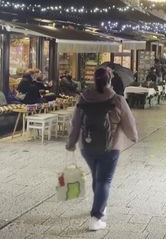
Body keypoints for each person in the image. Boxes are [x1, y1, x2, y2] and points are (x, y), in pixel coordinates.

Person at [66, 68, 138, 231]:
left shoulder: (83, 98)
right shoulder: (117, 100)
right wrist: (133, 136)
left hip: (87, 146)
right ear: (110, 81)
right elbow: (129, 122)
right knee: (104, 180)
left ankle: (100, 205)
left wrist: (71, 143)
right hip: (110, 147)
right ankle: (96, 217)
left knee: (97, 177)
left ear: (94, 80)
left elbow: (75, 123)